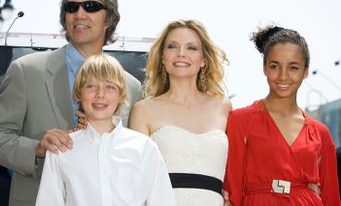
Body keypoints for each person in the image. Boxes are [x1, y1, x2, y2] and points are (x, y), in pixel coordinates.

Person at [0, 0, 142, 206]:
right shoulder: (27, 71)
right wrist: (36, 148)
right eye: (71, 7)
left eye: (91, 6)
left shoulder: (131, 86)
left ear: (109, 19)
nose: (80, 14)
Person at [35, 54, 175, 206]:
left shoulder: (145, 148)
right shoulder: (61, 149)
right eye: (91, 86)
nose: (100, 94)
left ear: (121, 95)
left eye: (109, 87)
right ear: (78, 94)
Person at [224, 25, 340, 205]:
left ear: (306, 71)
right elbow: (232, 191)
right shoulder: (240, 121)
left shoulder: (321, 133)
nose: (283, 76)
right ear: (264, 68)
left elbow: (331, 198)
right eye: (274, 66)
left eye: (293, 67)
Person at [129, 19, 232, 206]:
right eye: (172, 47)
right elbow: (135, 180)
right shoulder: (143, 110)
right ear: (162, 57)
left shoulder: (224, 108)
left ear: (203, 60)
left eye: (191, 48)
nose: (181, 54)